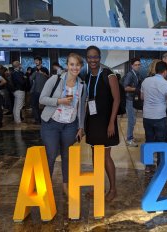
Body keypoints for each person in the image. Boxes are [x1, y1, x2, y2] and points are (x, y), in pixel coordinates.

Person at [40, 53, 87, 196]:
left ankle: (66, 185)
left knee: (67, 156)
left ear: (81, 67)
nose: (74, 67)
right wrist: (59, 101)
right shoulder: (55, 79)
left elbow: (81, 108)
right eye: (72, 64)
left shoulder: (82, 85)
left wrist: (81, 127)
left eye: (77, 65)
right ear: (67, 65)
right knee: (51, 155)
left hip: (70, 125)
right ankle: (46, 186)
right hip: (51, 124)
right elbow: (42, 99)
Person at [85, 46, 120, 202]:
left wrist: (112, 122)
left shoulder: (108, 74)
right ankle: (97, 185)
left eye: (95, 57)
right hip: (93, 121)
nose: (93, 60)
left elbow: (117, 99)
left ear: (100, 58)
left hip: (106, 121)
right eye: (90, 57)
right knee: (95, 155)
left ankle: (113, 189)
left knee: (105, 156)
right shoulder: (87, 76)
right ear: (86, 58)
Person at [141, 61, 167, 172]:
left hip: (147, 116)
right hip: (159, 117)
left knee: (149, 140)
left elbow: (142, 97)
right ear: (164, 72)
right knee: (161, 141)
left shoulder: (146, 81)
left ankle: (148, 166)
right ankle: (160, 166)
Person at [123, 57, 142, 147]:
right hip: (129, 99)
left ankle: (131, 136)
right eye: (136, 65)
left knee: (133, 119)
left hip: (133, 99)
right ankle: (129, 139)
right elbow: (125, 87)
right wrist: (136, 89)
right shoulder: (130, 74)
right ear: (132, 66)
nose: (137, 66)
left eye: (139, 65)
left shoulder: (137, 74)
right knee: (131, 120)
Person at [30, 56, 49, 124]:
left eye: (37, 60)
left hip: (43, 90)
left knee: (43, 106)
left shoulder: (45, 69)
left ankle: (43, 119)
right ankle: (37, 120)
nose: (36, 62)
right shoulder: (33, 69)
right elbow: (30, 79)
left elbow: (49, 78)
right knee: (34, 105)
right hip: (35, 90)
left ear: (40, 61)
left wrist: (44, 74)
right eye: (35, 60)